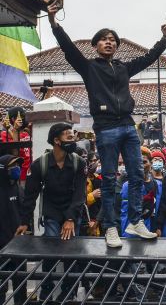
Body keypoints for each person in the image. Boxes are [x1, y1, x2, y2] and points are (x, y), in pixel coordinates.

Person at [46, 1, 166, 248]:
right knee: (111, 179)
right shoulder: (89, 67)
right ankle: (111, 228)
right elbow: (68, 48)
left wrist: (164, 39)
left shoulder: (125, 68)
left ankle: (135, 221)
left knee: (137, 174)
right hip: (106, 128)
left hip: (127, 126)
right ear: (95, 46)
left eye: (113, 39)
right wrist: (53, 23)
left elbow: (149, 58)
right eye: (103, 39)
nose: (109, 42)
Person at [15, 123, 86, 300]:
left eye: (73, 136)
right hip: (52, 212)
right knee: (50, 252)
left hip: (72, 211)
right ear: (56, 140)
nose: (73, 140)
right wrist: (24, 222)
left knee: (71, 252)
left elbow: (80, 194)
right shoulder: (40, 165)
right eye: (68, 137)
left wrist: (70, 218)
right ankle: (47, 289)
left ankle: (69, 292)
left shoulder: (79, 162)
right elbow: (30, 196)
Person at [0, 155, 27, 304]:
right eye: (12, 166)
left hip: (18, 246)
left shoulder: (17, 187)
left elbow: (24, 211)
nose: (16, 169)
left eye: (17, 165)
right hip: (1, 247)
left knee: (20, 283)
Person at [120, 147, 162, 237]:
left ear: (151, 163)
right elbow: (125, 213)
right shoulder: (127, 186)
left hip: (154, 230)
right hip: (134, 234)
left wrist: (160, 228)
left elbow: (161, 209)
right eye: (137, 162)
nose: (141, 166)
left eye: (144, 162)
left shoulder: (159, 185)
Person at [1, 107, 31, 183]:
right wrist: (13, 130)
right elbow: (15, 153)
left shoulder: (26, 133)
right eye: (22, 116)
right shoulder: (5, 134)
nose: (25, 119)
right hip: (19, 174)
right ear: (14, 119)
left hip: (30, 172)